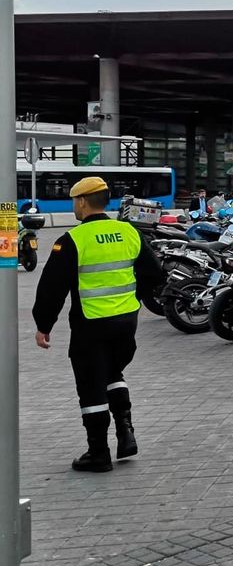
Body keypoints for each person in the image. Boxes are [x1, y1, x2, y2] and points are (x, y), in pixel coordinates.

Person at [32, 177, 164, 472]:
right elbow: (155, 273)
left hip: (91, 324)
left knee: (91, 384)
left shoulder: (72, 240)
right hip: (126, 321)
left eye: (73, 201)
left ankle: (98, 452)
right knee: (113, 372)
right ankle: (126, 432)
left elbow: (52, 288)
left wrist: (43, 325)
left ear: (81, 202)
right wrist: (134, 297)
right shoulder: (128, 231)